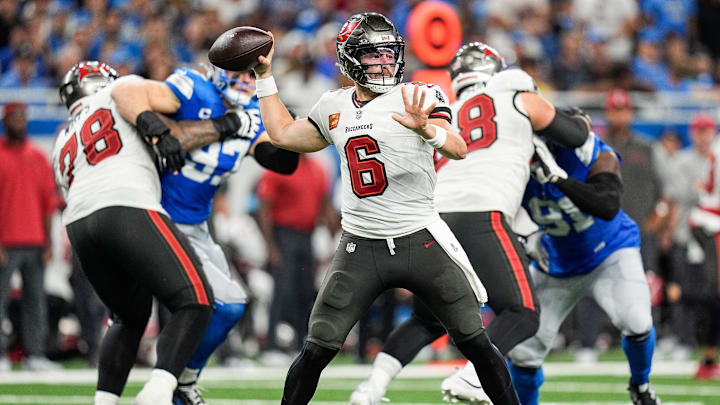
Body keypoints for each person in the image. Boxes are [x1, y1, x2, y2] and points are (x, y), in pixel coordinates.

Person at [242, 12, 520, 405]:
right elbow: (284, 134)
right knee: (317, 349)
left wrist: (427, 128)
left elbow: (457, 147)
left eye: (390, 54)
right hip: (361, 245)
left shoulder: (419, 95)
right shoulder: (332, 106)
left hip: (421, 238)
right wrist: (264, 77)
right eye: (373, 55)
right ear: (350, 59)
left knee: (476, 342)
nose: (385, 62)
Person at [348, 42, 592, 405]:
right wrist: (578, 121)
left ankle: (370, 389)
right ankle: (473, 375)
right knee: (523, 312)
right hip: (483, 213)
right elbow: (575, 135)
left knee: (428, 320)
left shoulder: (447, 110)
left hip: (434, 218)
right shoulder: (517, 93)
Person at [51, 61, 245, 405]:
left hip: (80, 225)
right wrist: (230, 123)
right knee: (198, 300)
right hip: (126, 204)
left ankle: (104, 401)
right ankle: (158, 392)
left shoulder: (62, 138)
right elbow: (136, 99)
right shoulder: (118, 94)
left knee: (128, 317)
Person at [110, 64, 299, 405]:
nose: (245, 82)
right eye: (239, 73)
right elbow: (124, 91)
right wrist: (154, 126)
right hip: (153, 216)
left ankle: (183, 380)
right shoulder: (192, 86)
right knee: (140, 314)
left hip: (196, 226)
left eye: (251, 76)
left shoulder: (254, 111)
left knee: (229, 306)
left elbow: (280, 162)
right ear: (219, 71)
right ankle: (136, 391)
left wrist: (290, 138)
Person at [504, 134, 660, 405]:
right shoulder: (514, 165)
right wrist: (525, 236)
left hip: (609, 251)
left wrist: (559, 179)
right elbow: (495, 214)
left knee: (637, 320)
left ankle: (641, 386)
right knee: (523, 354)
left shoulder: (592, 153)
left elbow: (608, 205)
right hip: (557, 263)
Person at [0, 102, 62, 372]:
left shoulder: (37, 156)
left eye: (23, 118)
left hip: (35, 240)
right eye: (15, 118)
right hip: (5, 242)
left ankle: (35, 354)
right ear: (6, 120)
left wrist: (48, 242)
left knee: (35, 301)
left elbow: (48, 203)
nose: (20, 122)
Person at [257, 153, 336, 358]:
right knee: (282, 291)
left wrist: (333, 233)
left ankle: (300, 345)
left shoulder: (317, 168)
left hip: (307, 235)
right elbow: (265, 208)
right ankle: (272, 346)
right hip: (283, 234)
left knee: (305, 291)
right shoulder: (279, 165)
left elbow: (324, 203)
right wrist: (270, 246)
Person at [687, 115, 720, 380]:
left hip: (708, 220)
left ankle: (709, 358)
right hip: (712, 224)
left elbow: (709, 187)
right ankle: (708, 359)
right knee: (715, 292)